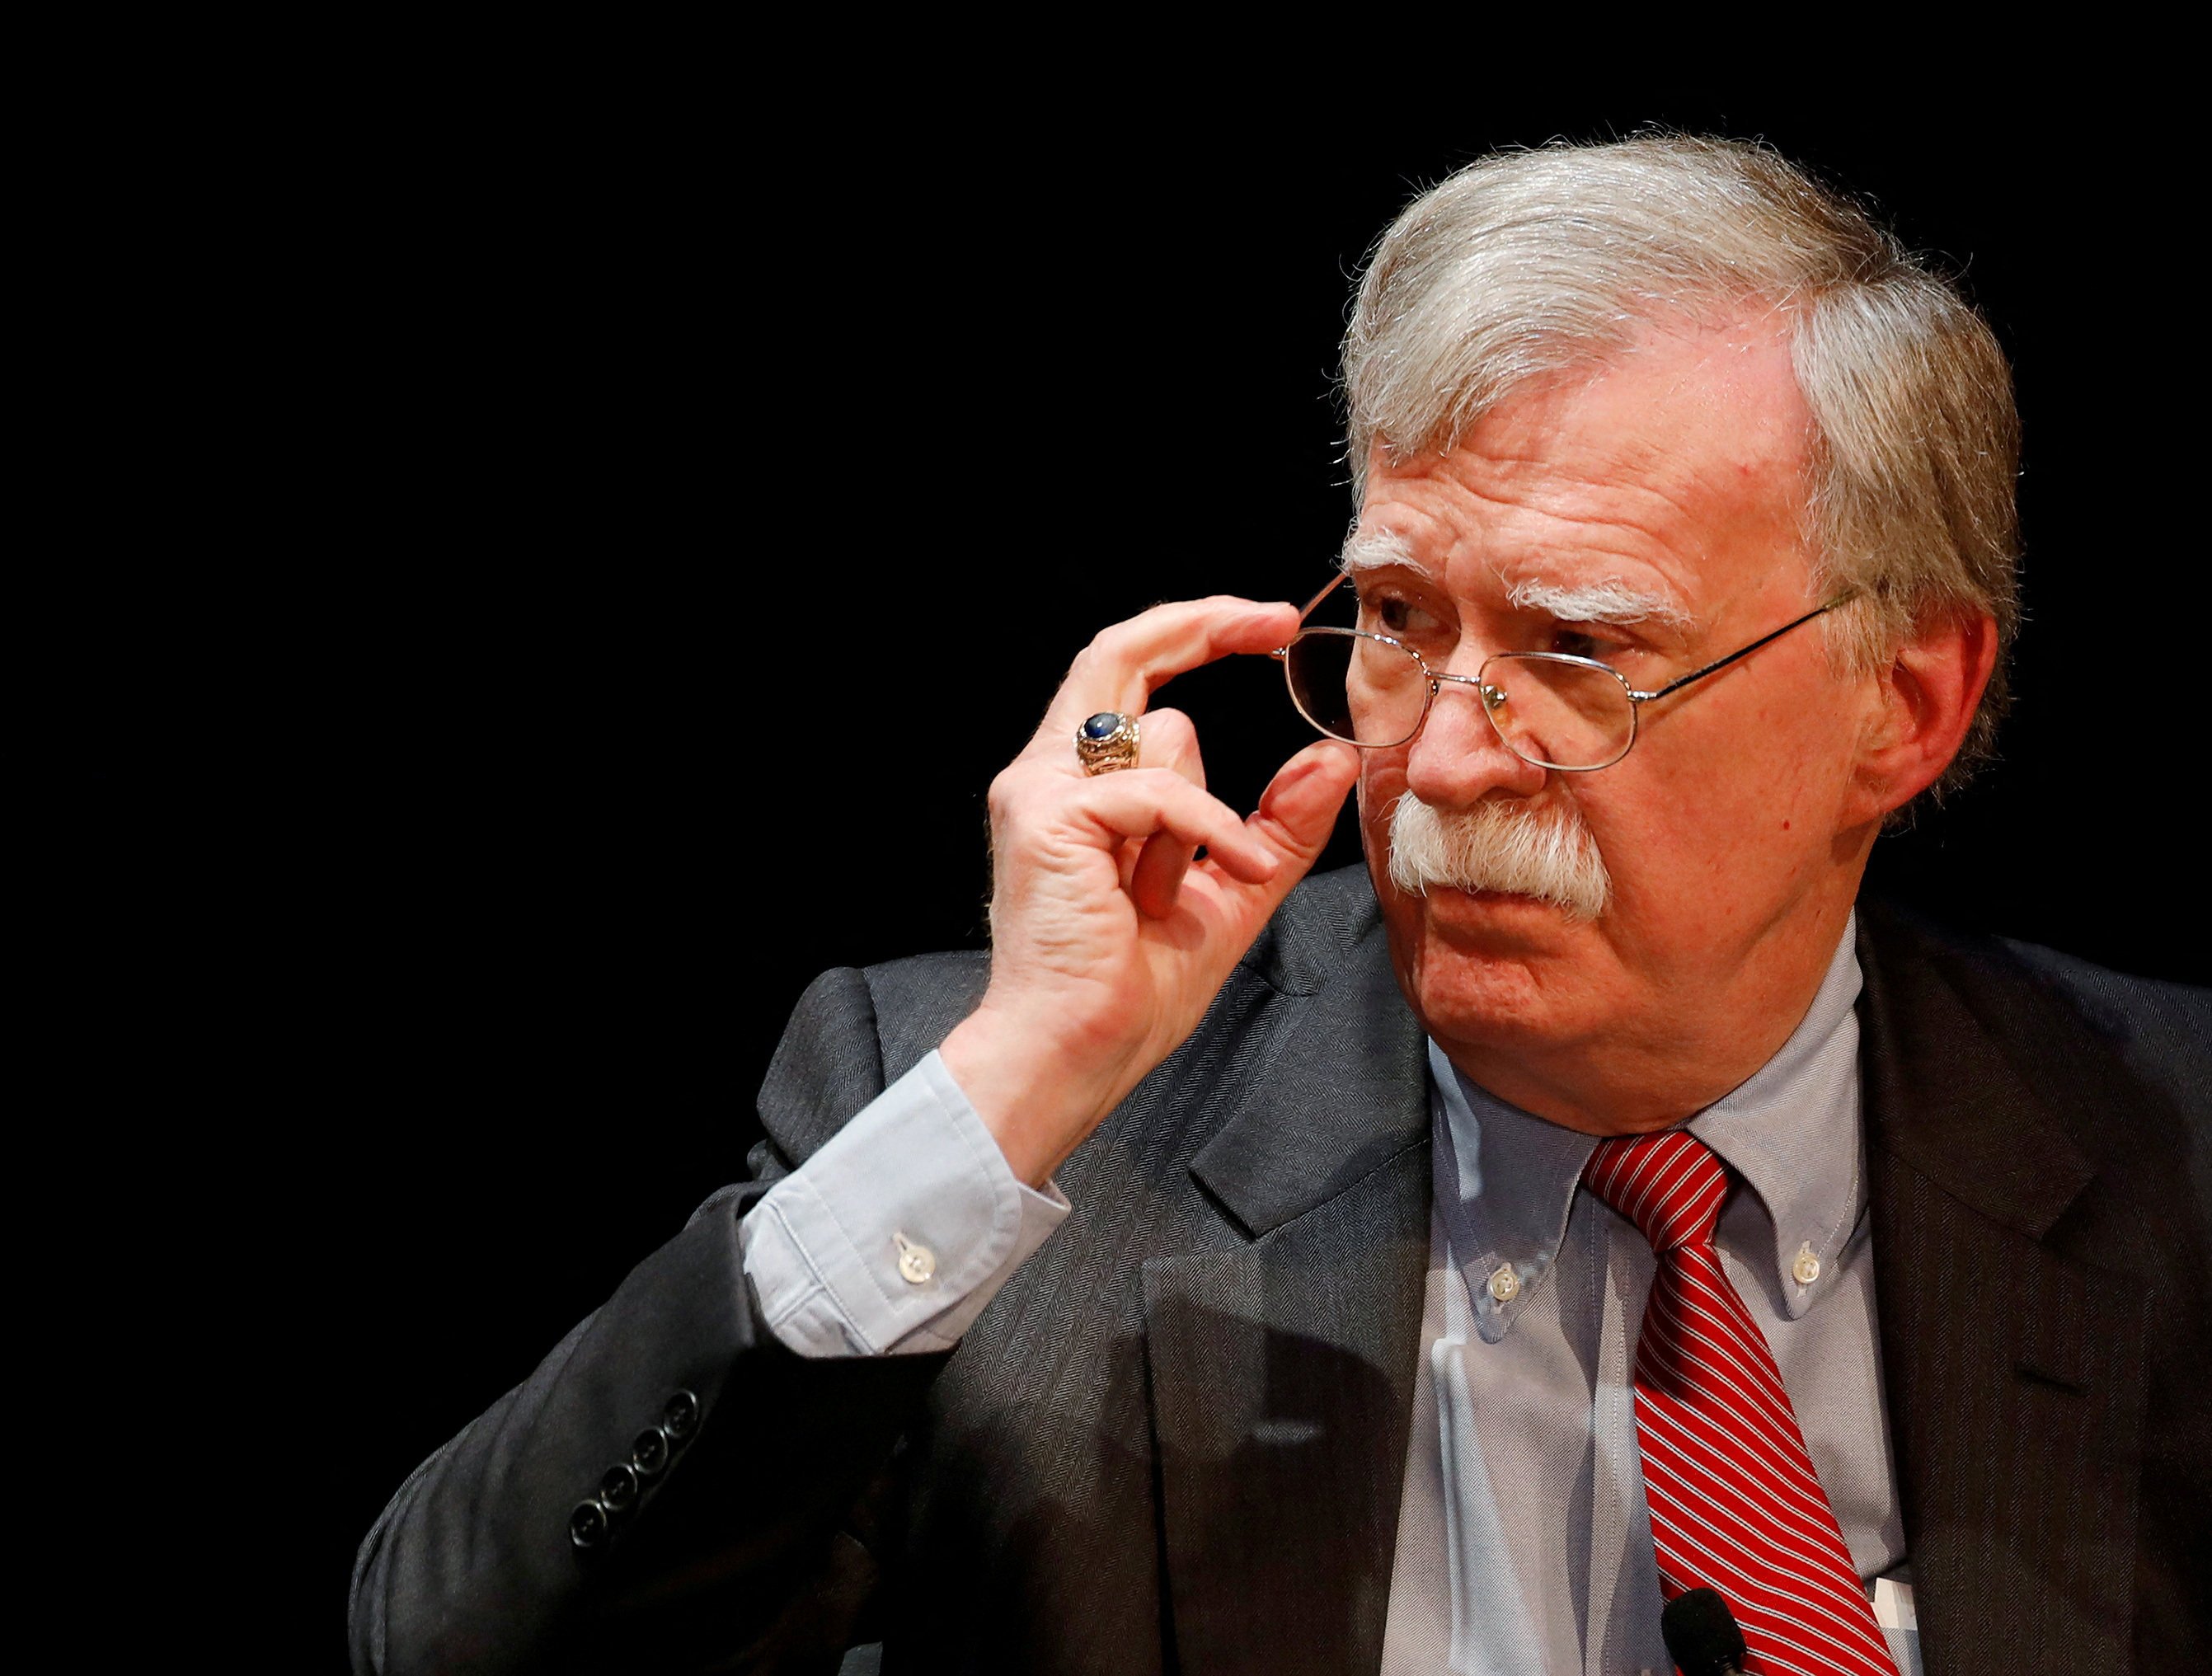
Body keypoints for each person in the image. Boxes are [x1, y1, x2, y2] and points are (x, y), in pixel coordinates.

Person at [349, 137, 2209, 1675]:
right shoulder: (987, 1129)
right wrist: (1018, 1078)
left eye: (1576, 653)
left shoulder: (2172, 1148)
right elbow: (461, 1653)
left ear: (1908, 703)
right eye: (1399, 624)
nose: (1449, 761)